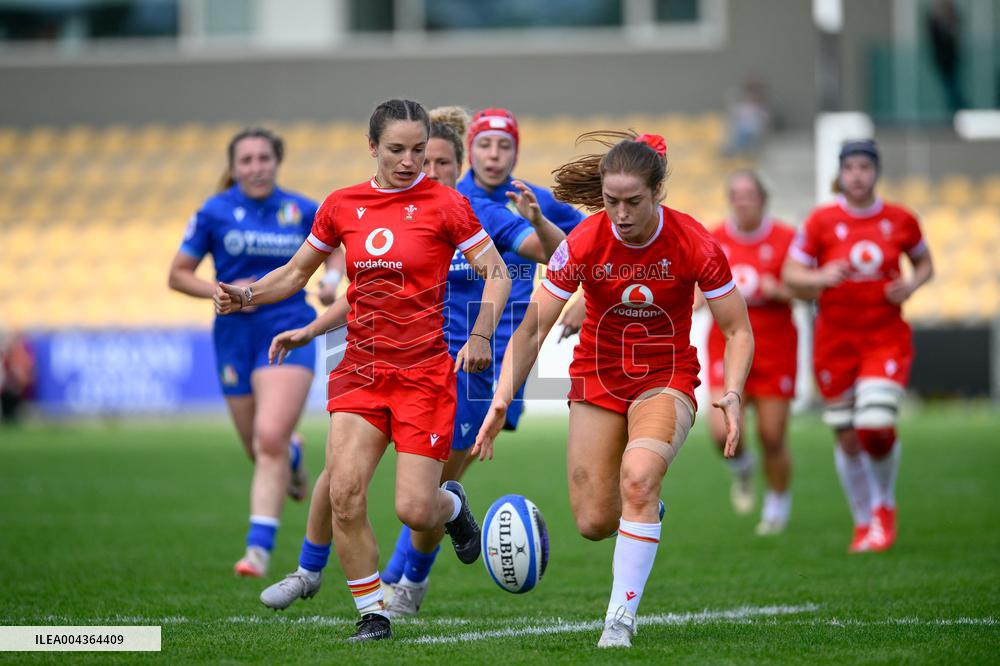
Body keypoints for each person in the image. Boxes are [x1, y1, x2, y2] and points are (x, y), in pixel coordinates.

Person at [214, 99, 512, 641]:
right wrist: (247, 294)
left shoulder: (447, 205)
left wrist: (481, 334)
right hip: (361, 369)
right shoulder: (341, 205)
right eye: (396, 150)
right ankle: (372, 612)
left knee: (415, 508)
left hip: (424, 374)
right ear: (372, 147)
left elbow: (498, 274)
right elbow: (296, 273)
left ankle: (452, 506)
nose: (409, 161)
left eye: (419, 150)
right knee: (344, 492)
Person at [258, 106, 570, 619]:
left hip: (467, 369)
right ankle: (319, 574)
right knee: (340, 476)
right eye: (420, 158)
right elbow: (360, 290)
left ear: (454, 165)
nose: (425, 170)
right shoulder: (388, 209)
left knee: (419, 501)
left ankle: (409, 581)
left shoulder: (471, 211)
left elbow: (557, 254)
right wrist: (311, 328)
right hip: (379, 359)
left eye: (436, 160)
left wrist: (544, 235)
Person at [475, 131, 754, 648]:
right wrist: (499, 399)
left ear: (657, 194)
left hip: (665, 380)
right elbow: (534, 327)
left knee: (639, 478)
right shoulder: (583, 241)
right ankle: (642, 515)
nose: (621, 214)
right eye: (610, 202)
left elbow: (737, 328)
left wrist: (733, 391)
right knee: (594, 521)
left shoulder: (695, 242)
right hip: (597, 379)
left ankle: (619, 621)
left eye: (633, 202)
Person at [168, 127, 343, 578]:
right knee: (258, 445)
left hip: (286, 328)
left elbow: (336, 251)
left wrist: (327, 281)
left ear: (276, 161)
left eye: (263, 158)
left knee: (268, 439)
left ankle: (258, 551)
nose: (256, 167)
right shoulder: (214, 211)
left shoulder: (302, 209)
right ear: (233, 167)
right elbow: (178, 274)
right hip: (232, 337)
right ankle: (295, 457)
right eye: (246, 160)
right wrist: (217, 292)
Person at [782, 139, 934, 553]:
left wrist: (912, 284)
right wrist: (820, 278)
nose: (857, 175)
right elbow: (792, 274)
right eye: (850, 168)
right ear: (841, 173)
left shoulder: (900, 219)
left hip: (884, 337)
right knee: (847, 437)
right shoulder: (820, 222)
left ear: (876, 171)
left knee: (876, 427)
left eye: (865, 167)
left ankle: (884, 507)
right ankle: (863, 521)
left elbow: (925, 262)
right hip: (834, 340)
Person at [703, 170, 798, 535]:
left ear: (762, 199)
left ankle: (776, 505)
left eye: (749, 194)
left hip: (775, 346)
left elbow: (807, 290)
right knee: (718, 431)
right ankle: (742, 469)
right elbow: (698, 287)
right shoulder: (714, 237)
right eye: (736, 194)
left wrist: (780, 289)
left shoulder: (786, 239)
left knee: (772, 435)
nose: (743, 201)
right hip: (725, 346)